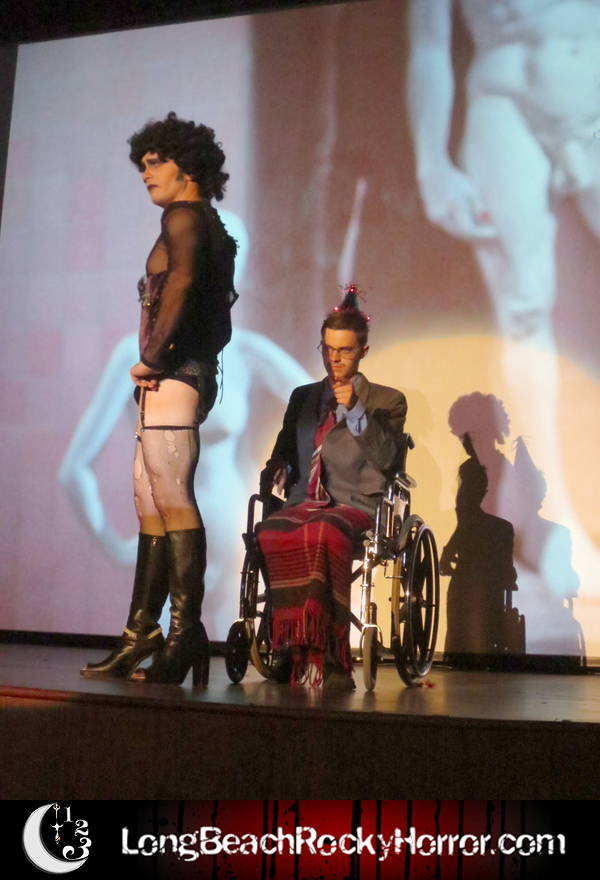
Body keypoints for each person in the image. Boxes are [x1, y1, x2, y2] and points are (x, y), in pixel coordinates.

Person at [81, 112, 237, 685]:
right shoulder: (203, 221)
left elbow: (184, 285)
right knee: (150, 501)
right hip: (177, 373)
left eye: (155, 163)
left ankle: (184, 633)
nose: (146, 173)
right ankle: (141, 632)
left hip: (178, 373)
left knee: (169, 496)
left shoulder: (185, 217)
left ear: (186, 166)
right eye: (142, 164)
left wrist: (152, 356)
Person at [257, 287, 407, 689]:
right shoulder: (303, 398)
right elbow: (284, 450)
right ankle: (289, 639)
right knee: (270, 530)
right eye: (327, 349)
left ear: (363, 351)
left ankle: (329, 649)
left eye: (344, 351)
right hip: (305, 500)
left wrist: (355, 410)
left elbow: (387, 457)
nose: (334, 359)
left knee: (323, 531)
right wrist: (277, 469)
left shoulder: (387, 401)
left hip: (355, 503)